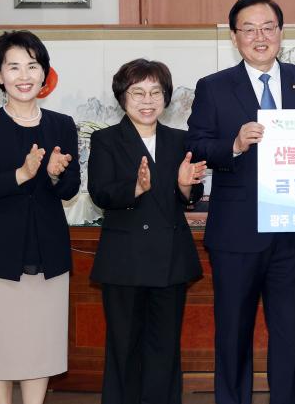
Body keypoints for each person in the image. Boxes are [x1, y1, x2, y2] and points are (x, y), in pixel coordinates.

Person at [186, 0, 295, 404]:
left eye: (267, 28)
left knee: (290, 333)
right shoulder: (213, 87)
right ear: (234, 36)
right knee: (233, 332)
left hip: (290, 231)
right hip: (235, 233)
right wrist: (235, 144)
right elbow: (196, 145)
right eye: (249, 29)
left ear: (281, 32)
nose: (259, 37)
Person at [0, 30, 80, 404]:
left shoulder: (62, 124)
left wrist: (55, 175)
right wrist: (22, 173)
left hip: (48, 254)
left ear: (44, 72)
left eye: (32, 65)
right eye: (13, 67)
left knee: (39, 348)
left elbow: (70, 189)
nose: (24, 75)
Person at [88, 59, 207, 404]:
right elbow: (100, 192)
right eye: (138, 92)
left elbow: (191, 194)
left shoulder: (180, 140)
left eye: (155, 92)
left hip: (170, 259)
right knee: (123, 346)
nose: (147, 100)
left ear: (165, 97)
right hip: (124, 261)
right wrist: (136, 188)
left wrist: (185, 185)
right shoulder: (106, 139)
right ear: (122, 97)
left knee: (165, 347)